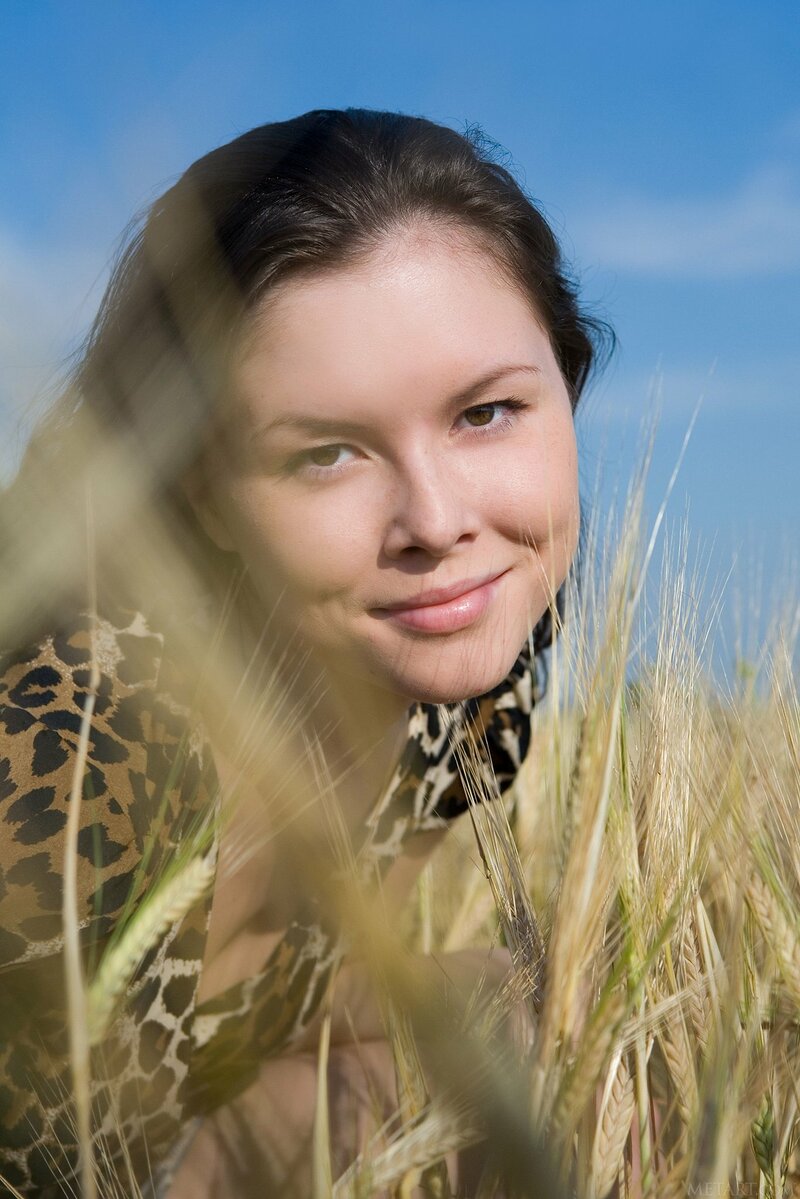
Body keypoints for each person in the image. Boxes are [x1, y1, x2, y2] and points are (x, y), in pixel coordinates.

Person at [0, 107, 611, 1197]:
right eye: (325, 453)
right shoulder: (68, 768)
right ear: (204, 489)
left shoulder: (467, 700)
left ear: (564, 384)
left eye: (484, 413)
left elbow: (265, 1009)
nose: (434, 521)